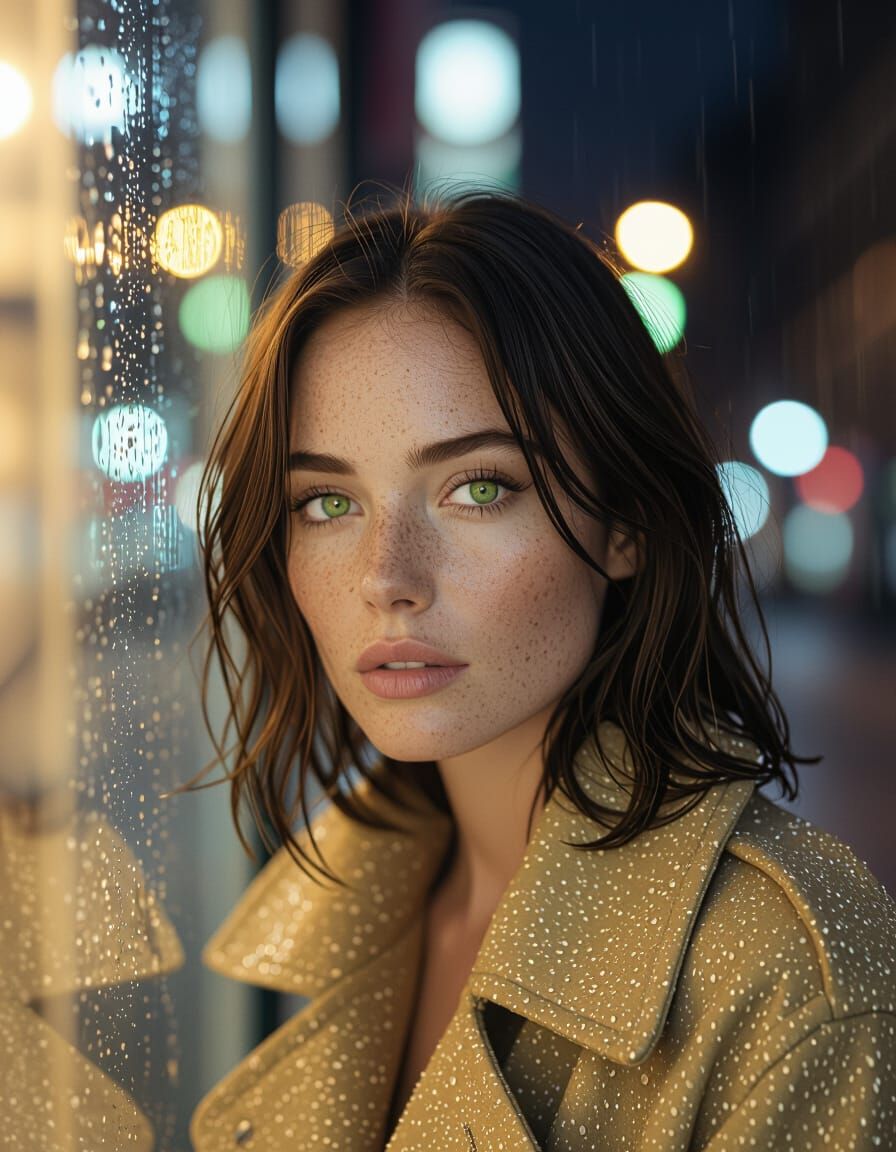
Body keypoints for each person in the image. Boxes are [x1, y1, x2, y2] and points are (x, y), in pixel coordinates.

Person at [183, 185, 896, 1150]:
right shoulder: (361, 914)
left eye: (478, 487)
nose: (388, 579)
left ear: (628, 526)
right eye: (326, 502)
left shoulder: (787, 978)